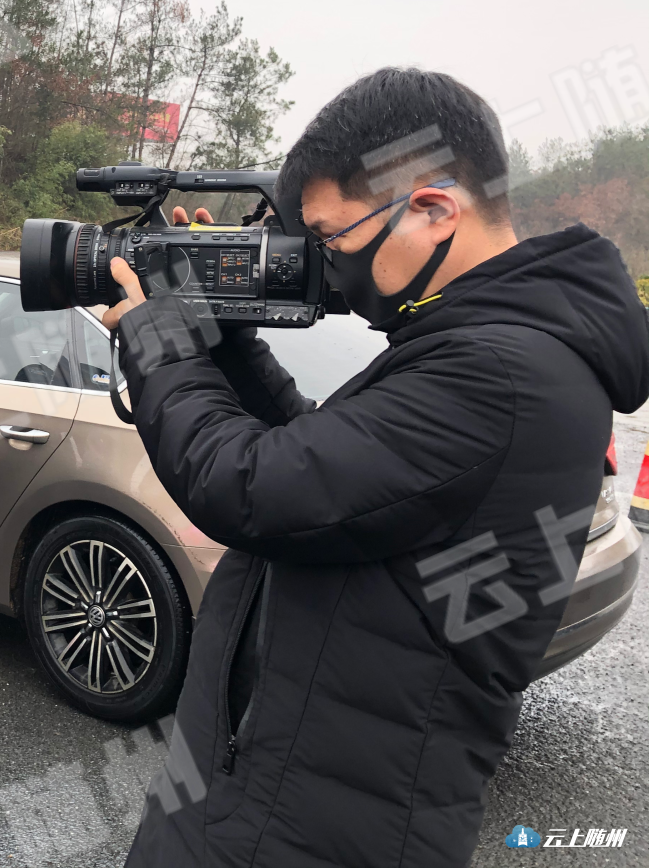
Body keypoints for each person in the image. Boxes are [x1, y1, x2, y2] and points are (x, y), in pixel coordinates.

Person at [105, 69, 649, 868]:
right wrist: (225, 338)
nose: (328, 265)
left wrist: (159, 342)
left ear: (433, 210)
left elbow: (251, 486)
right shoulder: (481, 344)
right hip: (275, 793)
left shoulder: (502, 373)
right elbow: (327, 470)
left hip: (314, 830)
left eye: (331, 240)